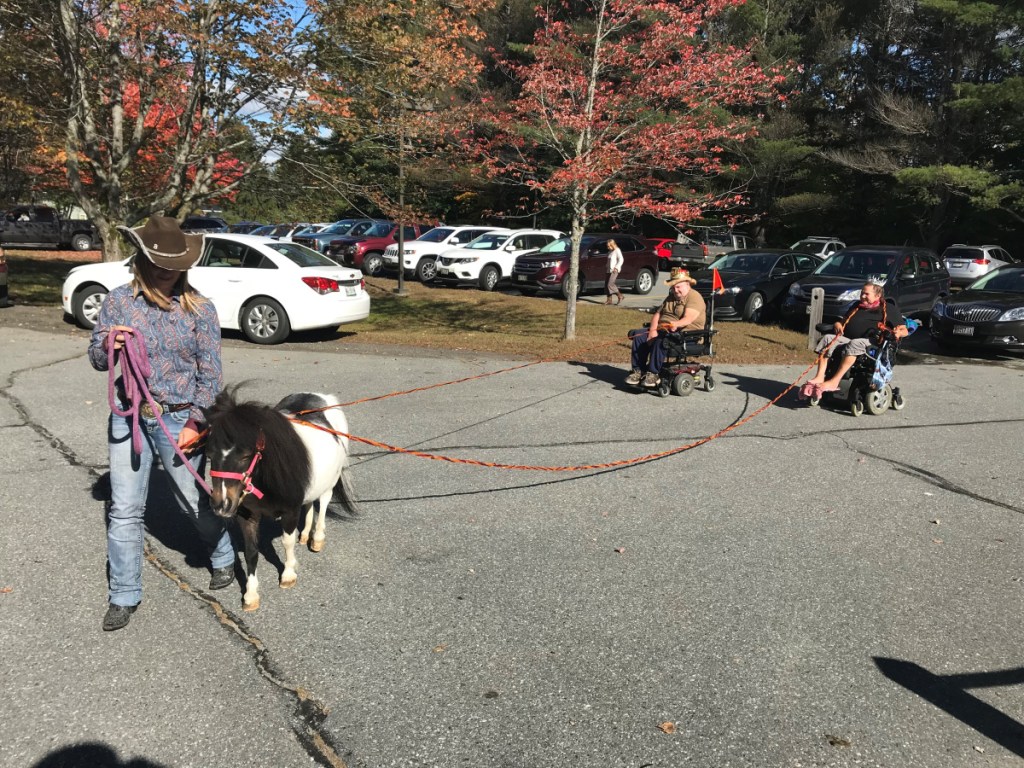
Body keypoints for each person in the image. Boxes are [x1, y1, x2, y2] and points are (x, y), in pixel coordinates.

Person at [88, 215, 234, 632]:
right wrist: (107, 343)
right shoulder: (118, 301)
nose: (166, 271)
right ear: (141, 259)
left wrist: (195, 421)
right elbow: (98, 360)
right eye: (157, 263)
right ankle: (123, 593)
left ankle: (222, 553)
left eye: (174, 265)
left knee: (193, 501)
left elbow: (211, 374)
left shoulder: (200, 309)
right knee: (125, 509)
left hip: (178, 418)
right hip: (129, 414)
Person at [808, 282, 907, 391]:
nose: (862, 296)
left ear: (877, 296)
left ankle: (834, 381)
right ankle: (820, 376)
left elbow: (904, 330)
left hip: (872, 342)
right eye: (861, 293)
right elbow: (843, 321)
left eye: (866, 294)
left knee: (854, 343)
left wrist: (898, 333)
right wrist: (838, 324)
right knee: (827, 338)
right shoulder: (857, 306)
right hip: (850, 338)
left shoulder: (889, 308)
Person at [626, 267, 706, 387]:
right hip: (664, 329)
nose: (675, 290)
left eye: (678, 286)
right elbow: (658, 314)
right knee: (639, 335)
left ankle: (653, 374)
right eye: (673, 287)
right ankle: (638, 371)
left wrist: (675, 324)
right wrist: (653, 330)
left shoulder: (694, 297)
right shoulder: (671, 297)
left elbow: (687, 319)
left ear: (687, 284)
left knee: (661, 340)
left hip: (686, 335)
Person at [605, 238, 624, 305]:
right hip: (608, 270)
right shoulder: (609, 252)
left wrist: (616, 267)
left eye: (609, 246)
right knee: (606, 285)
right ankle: (609, 300)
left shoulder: (617, 250)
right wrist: (606, 266)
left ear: (613, 245)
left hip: (614, 270)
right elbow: (609, 261)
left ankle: (620, 295)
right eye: (607, 246)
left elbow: (621, 259)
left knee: (610, 284)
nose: (608, 247)